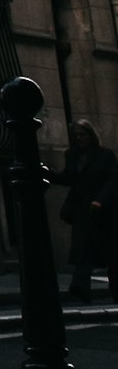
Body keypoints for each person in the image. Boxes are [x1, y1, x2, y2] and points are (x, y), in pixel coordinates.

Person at [55, 120, 116, 300]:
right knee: (84, 250)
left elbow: (113, 180)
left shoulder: (105, 155)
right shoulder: (72, 155)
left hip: (105, 213)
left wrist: (101, 200)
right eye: (76, 136)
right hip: (83, 211)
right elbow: (70, 177)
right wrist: (49, 175)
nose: (79, 138)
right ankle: (80, 286)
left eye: (82, 135)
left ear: (91, 135)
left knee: (112, 256)